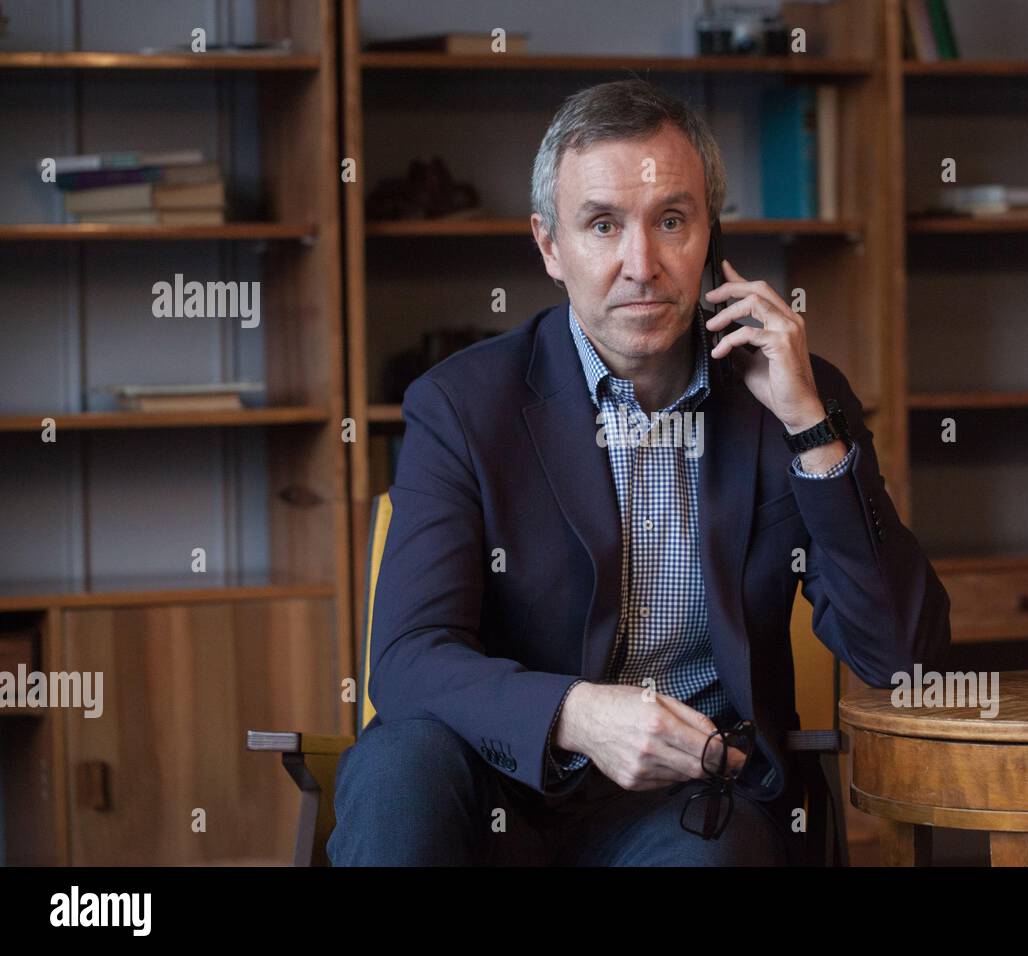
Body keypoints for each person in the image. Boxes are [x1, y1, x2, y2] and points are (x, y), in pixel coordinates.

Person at [327, 78, 951, 866]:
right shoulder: (461, 404)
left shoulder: (793, 396)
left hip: (693, 804)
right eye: (601, 225)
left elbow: (906, 660)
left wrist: (811, 429)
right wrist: (579, 714)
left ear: (711, 239)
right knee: (395, 765)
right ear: (550, 247)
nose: (641, 264)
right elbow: (411, 658)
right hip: (498, 785)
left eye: (671, 221)